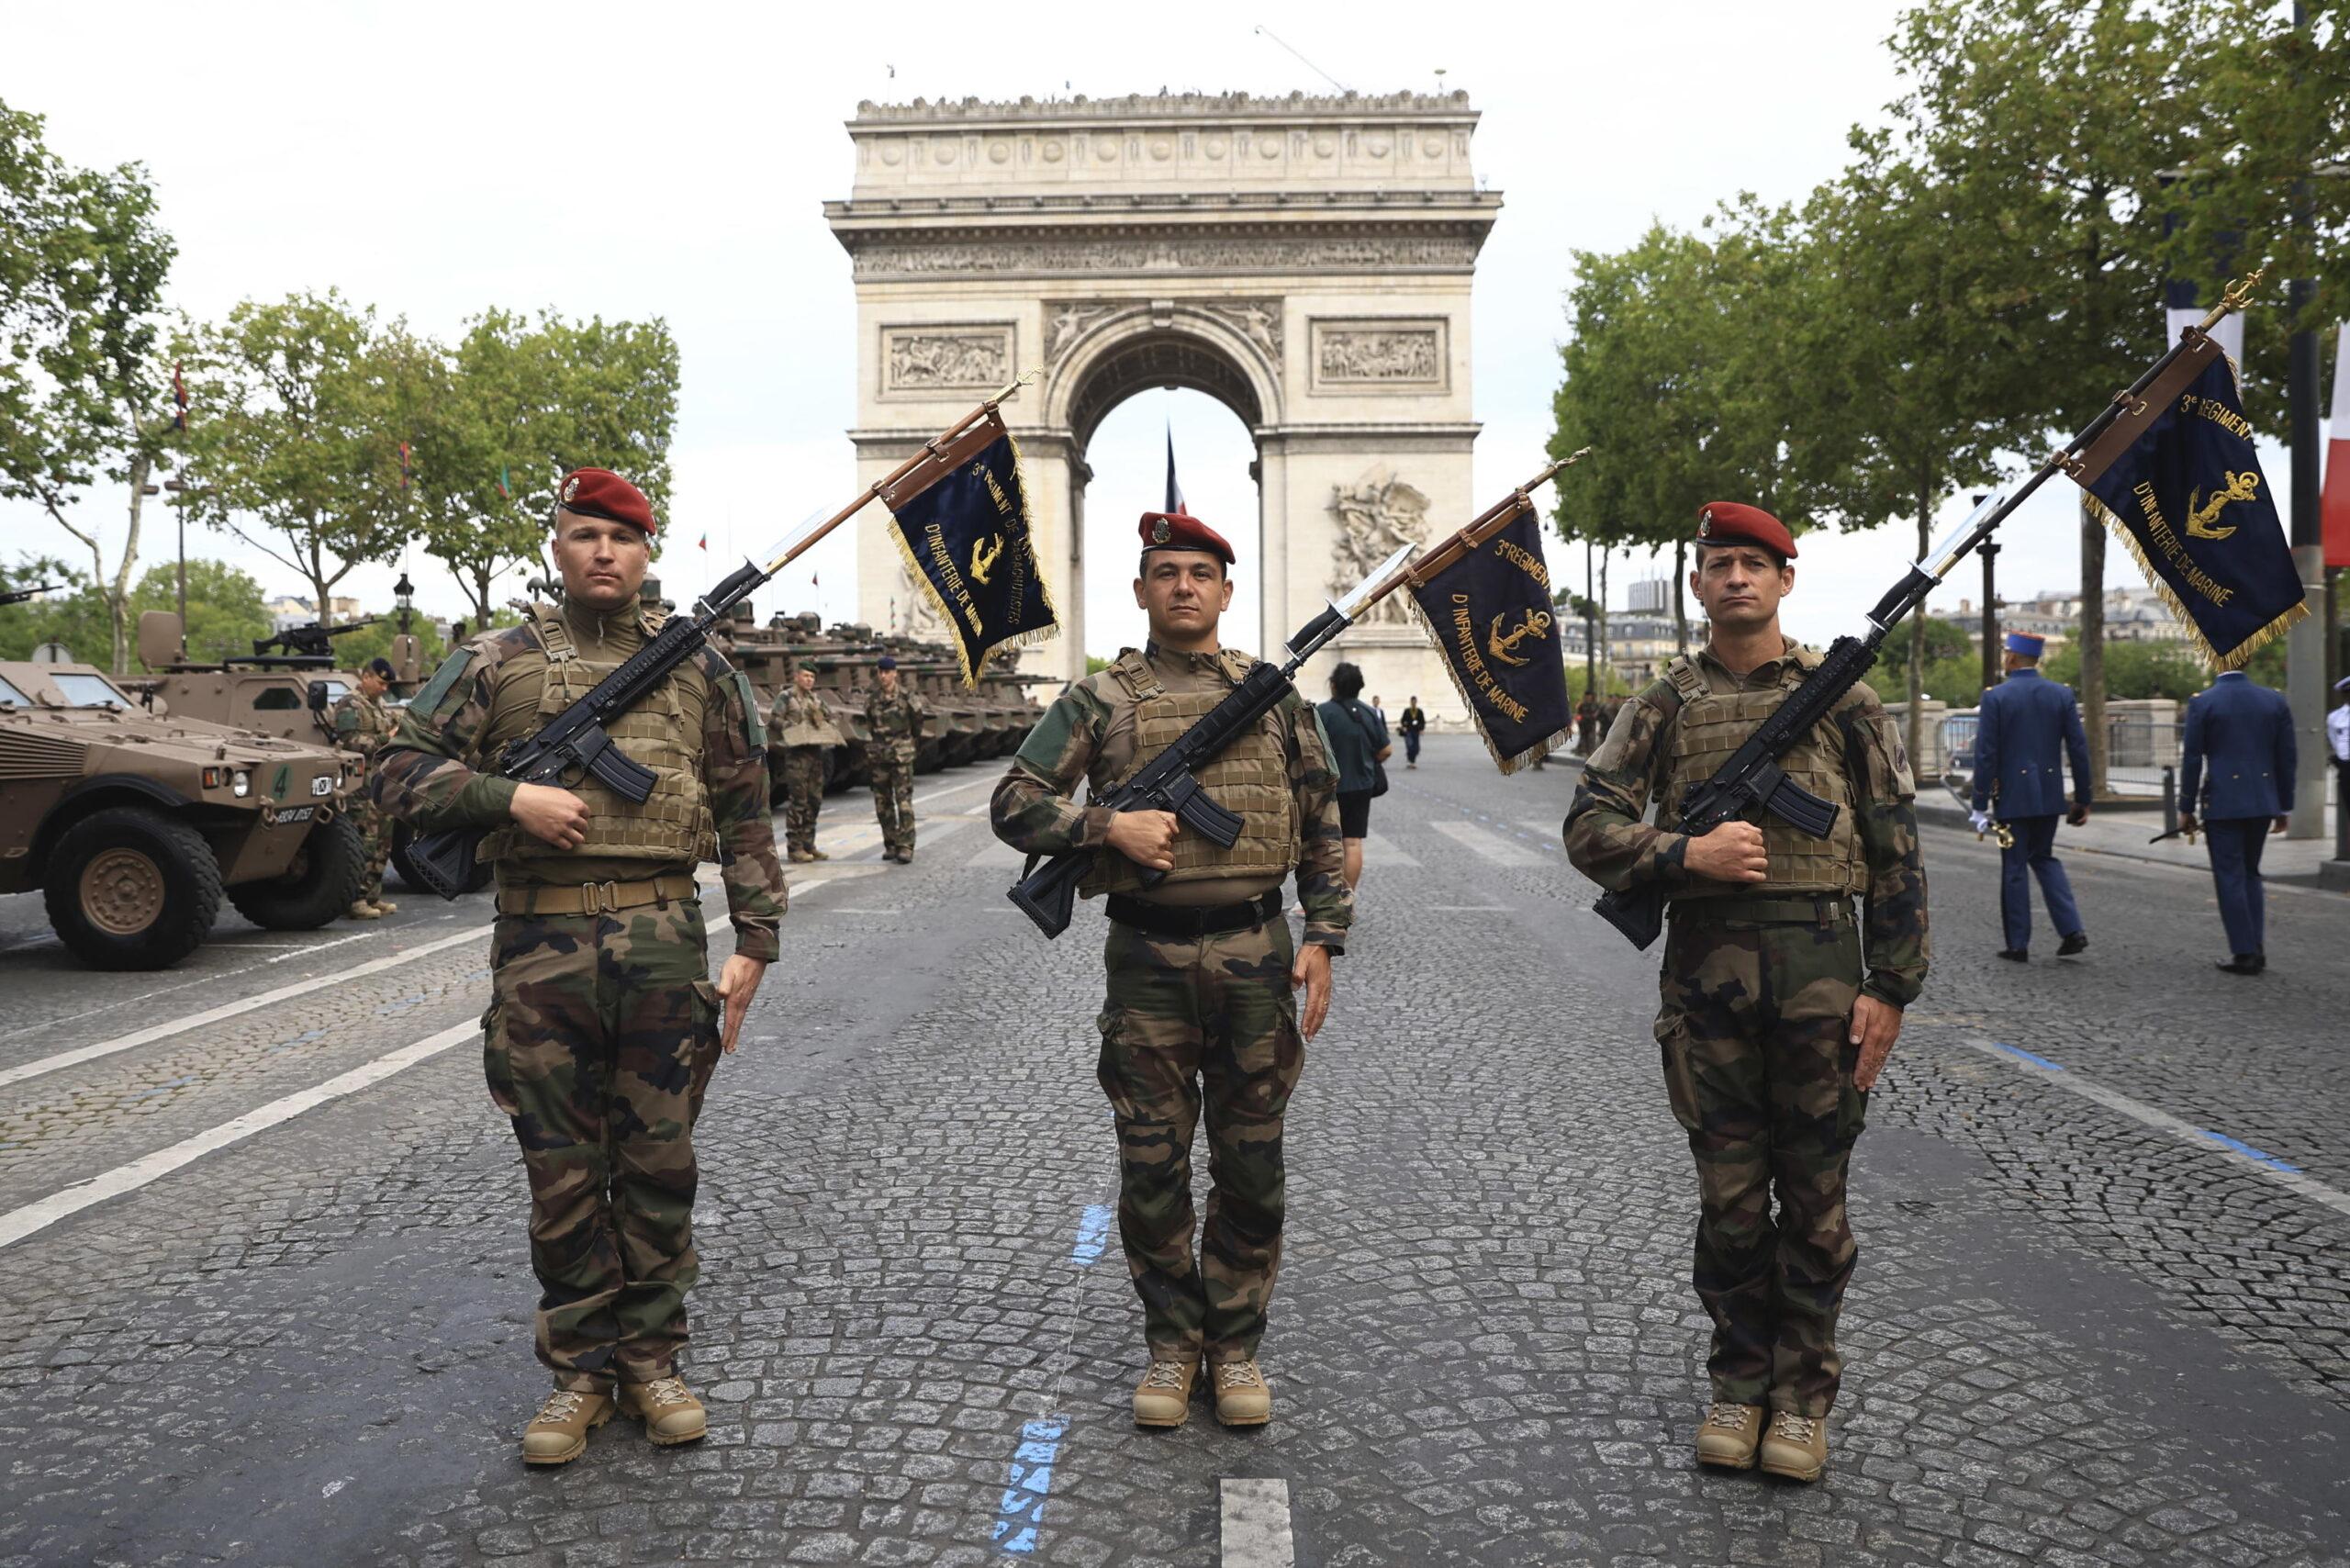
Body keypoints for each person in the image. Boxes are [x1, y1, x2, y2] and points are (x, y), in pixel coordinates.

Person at [373, 467, 784, 1466]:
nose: (605, 551)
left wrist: (758, 943)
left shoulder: (700, 670)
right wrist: (506, 802)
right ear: (556, 546)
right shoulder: (494, 661)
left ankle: (652, 1361)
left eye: (624, 537)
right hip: (540, 951)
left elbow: (743, 808)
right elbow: (392, 772)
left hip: (662, 942)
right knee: (560, 1174)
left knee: (658, 1168)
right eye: (585, 533)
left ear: (649, 555)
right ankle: (579, 1375)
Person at [1565, 500, 1927, 1484]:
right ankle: (1737, 1380)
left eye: (1754, 564)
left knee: (1815, 1203)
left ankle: (1801, 1399)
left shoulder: (1844, 698)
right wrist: (1687, 850)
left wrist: (1890, 986)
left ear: (1784, 581)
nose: (1735, 578)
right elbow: (1588, 828)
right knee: (1728, 1202)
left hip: (1822, 977)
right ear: (1696, 583)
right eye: (1719, 563)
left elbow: (1895, 848)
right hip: (1707, 981)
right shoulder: (1662, 705)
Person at [990, 507, 1352, 1431]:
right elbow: (1013, 800)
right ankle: (1170, 1342)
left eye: (1201, 571)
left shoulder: (1275, 699)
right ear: (1142, 589)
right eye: (1167, 572)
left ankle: (1233, 1347)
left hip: (1258, 951)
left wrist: (1325, 934)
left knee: (1251, 1161)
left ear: (1227, 591)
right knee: (1151, 1162)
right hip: (1146, 955)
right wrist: (1103, 826)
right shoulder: (1098, 700)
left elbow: (1322, 822)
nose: (1184, 585)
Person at [1969, 631, 2092, 962]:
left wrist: (1979, 803)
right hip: (2049, 795)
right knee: (2045, 858)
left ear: (2011, 658)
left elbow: (1986, 755)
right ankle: (2072, 930)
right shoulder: (2061, 694)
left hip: (2012, 797)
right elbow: (2078, 749)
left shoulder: (1996, 697)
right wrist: (2083, 797)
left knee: (2014, 867)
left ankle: (2018, 944)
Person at [2179, 666, 2296, 975]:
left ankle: (2244, 952)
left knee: (2229, 875)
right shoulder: (2273, 700)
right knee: (2250, 873)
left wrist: (2186, 806)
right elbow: (2286, 757)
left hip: (2223, 800)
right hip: (2261, 800)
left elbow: (2192, 758)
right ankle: (2256, 946)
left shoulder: (2203, 702)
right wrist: (2284, 806)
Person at [331, 656, 400, 919]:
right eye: (381, 683)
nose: (384, 689)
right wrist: (387, 738)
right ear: (366, 678)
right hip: (360, 787)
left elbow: (396, 726)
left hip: (381, 783)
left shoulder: (379, 705)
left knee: (384, 842)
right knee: (365, 842)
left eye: (386, 685)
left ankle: (372, 894)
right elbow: (349, 742)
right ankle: (356, 899)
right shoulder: (350, 704)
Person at [1316, 662, 1391, 892]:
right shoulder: (1369, 712)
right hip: (1361, 786)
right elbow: (1386, 749)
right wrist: (1368, 761)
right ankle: (1346, 897)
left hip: (1329, 788)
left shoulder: (1322, 713)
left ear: (1334, 685)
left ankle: (1324, 899)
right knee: (1352, 842)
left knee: (1326, 844)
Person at [770, 661, 843, 864]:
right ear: (797, 677)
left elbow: (833, 717)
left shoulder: (816, 700)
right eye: (806, 676)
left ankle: (809, 844)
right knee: (798, 802)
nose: (809, 680)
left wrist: (825, 725)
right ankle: (795, 847)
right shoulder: (786, 697)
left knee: (815, 801)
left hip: (816, 756)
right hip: (797, 756)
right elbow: (774, 720)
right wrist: (792, 727)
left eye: (812, 677)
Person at [865, 655, 926, 864]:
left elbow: (918, 724)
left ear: (894, 673)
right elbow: (870, 725)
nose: (883, 676)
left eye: (887, 672)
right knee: (882, 804)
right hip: (879, 757)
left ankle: (906, 845)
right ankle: (890, 844)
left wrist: (906, 742)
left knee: (904, 803)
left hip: (901, 756)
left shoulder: (908, 697)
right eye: (880, 672)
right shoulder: (871, 699)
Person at [1398, 695, 1427, 768]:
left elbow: (1422, 721)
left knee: (1416, 748)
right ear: (1410, 702)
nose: (1413, 703)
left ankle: (1411, 760)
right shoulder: (1407, 711)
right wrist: (1404, 726)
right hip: (1408, 731)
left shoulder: (1419, 711)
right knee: (1410, 746)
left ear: (1416, 702)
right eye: (1412, 702)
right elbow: (1402, 720)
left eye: (1414, 702)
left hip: (1416, 731)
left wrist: (1421, 729)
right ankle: (1411, 762)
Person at [1576, 689, 1601, 756]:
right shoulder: (1582, 704)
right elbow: (1578, 714)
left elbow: (1597, 713)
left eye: (1589, 696)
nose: (1588, 697)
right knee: (1583, 737)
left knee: (1591, 738)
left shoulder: (1595, 705)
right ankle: (1581, 751)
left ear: (1591, 696)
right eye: (1587, 696)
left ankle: (1590, 752)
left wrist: (1595, 716)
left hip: (1591, 724)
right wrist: (1579, 721)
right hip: (1583, 723)